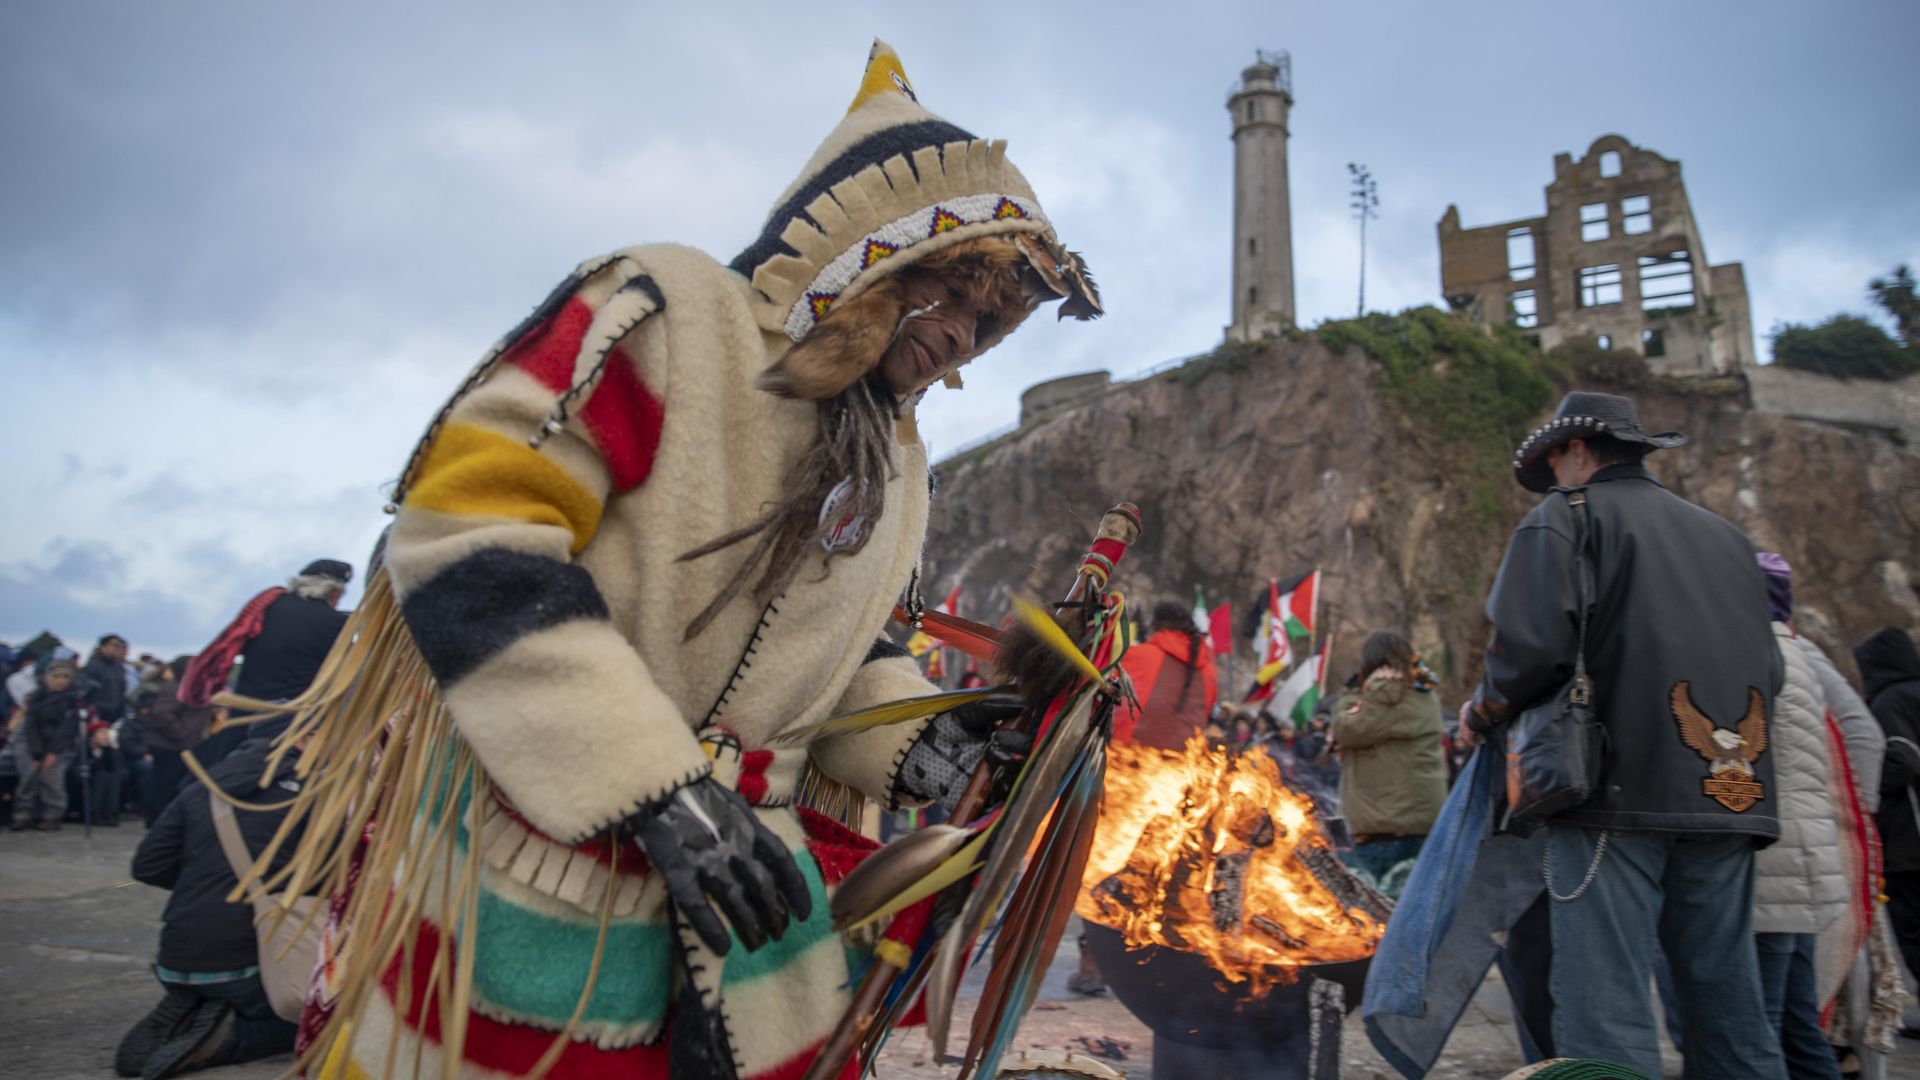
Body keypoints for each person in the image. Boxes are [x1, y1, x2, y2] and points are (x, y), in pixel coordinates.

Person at [262, 40, 1099, 1080]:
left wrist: (926, 740)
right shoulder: (670, 310)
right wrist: (651, 788)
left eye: (989, 324)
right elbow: (472, 524)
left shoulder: (899, 456)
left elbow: (837, 670)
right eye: (955, 298)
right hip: (541, 878)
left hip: (755, 913)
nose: (967, 339)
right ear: (873, 252)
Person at [1457, 391, 1785, 1079]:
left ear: (1576, 450)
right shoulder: (1729, 540)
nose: (1551, 483)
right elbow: (1772, 669)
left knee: (1605, 1008)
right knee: (1728, 1005)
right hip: (1732, 795)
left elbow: (1529, 648)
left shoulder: (1568, 515)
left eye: (1553, 466)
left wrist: (1480, 713)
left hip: (1613, 788)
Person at [120, 736, 306, 1078]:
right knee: (318, 1022)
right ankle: (227, 1037)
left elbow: (147, 866)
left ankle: (193, 1005)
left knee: (216, 977)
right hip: (250, 966)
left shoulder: (200, 789)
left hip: (174, 960)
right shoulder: (314, 795)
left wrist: (202, 879)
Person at [1750, 553, 1869, 1080]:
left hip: (1776, 869)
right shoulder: (1793, 651)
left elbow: (1862, 735)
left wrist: (1853, 818)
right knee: (1797, 1027)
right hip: (1803, 863)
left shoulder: (1763, 654)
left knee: (1762, 1027)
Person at [185, 559, 352, 767]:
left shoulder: (266, 607)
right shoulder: (336, 623)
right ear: (334, 592)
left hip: (242, 720)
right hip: (291, 730)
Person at [1331, 631, 1446, 895]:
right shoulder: (1424, 693)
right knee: (1418, 912)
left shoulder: (1385, 693)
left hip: (1385, 829)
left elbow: (1346, 729)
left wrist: (1351, 692)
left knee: (1376, 918)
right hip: (1421, 823)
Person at [1857, 628, 1920, 990]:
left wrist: (1863, 789)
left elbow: (1903, 758)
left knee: (1912, 923)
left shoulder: (1891, 700)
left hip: (1907, 836)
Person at [1114, 599, 1220, 750]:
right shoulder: (1209, 673)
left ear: (1156, 626)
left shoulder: (1139, 656)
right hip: (1182, 765)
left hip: (1127, 759)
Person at [11, 658, 87, 831]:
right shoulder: (36, 697)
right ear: (48, 677)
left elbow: (68, 730)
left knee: (51, 774)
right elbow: (30, 725)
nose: (60, 680)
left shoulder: (74, 700)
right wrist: (37, 753)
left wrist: (52, 753)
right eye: (57, 676)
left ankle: (52, 814)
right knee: (29, 773)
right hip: (31, 741)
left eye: (65, 677)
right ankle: (22, 813)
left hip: (60, 744)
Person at [139, 656, 214, 823]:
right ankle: (158, 821)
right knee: (165, 786)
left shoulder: (198, 688)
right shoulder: (175, 688)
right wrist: (181, 732)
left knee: (176, 785)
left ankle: (169, 820)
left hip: (186, 744)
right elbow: (163, 714)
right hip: (170, 746)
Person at [80, 719, 126, 827]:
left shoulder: (110, 749)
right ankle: (95, 813)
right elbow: (79, 769)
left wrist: (113, 751)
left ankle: (111, 814)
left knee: (114, 777)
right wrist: (96, 757)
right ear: (92, 736)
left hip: (106, 781)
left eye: (106, 732)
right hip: (87, 781)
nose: (105, 736)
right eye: (101, 733)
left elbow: (119, 768)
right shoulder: (83, 748)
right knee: (102, 776)